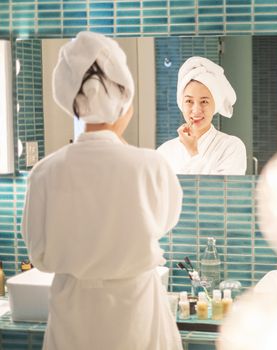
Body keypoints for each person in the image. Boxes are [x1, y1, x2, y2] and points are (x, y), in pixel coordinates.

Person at [21, 31, 184, 350]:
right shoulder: (151, 166)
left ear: (69, 100)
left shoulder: (44, 172)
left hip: (73, 321)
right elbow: (164, 222)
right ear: (125, 98)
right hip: (138, 318)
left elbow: (38, 254)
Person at [157, 56, 247, 175]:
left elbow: (221, 191)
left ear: (215, 105)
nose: (196, 110)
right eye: (189, 101)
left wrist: (193, 152)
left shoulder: (232, 146)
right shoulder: (165, 151)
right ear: (181, 104)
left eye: (204, 101)